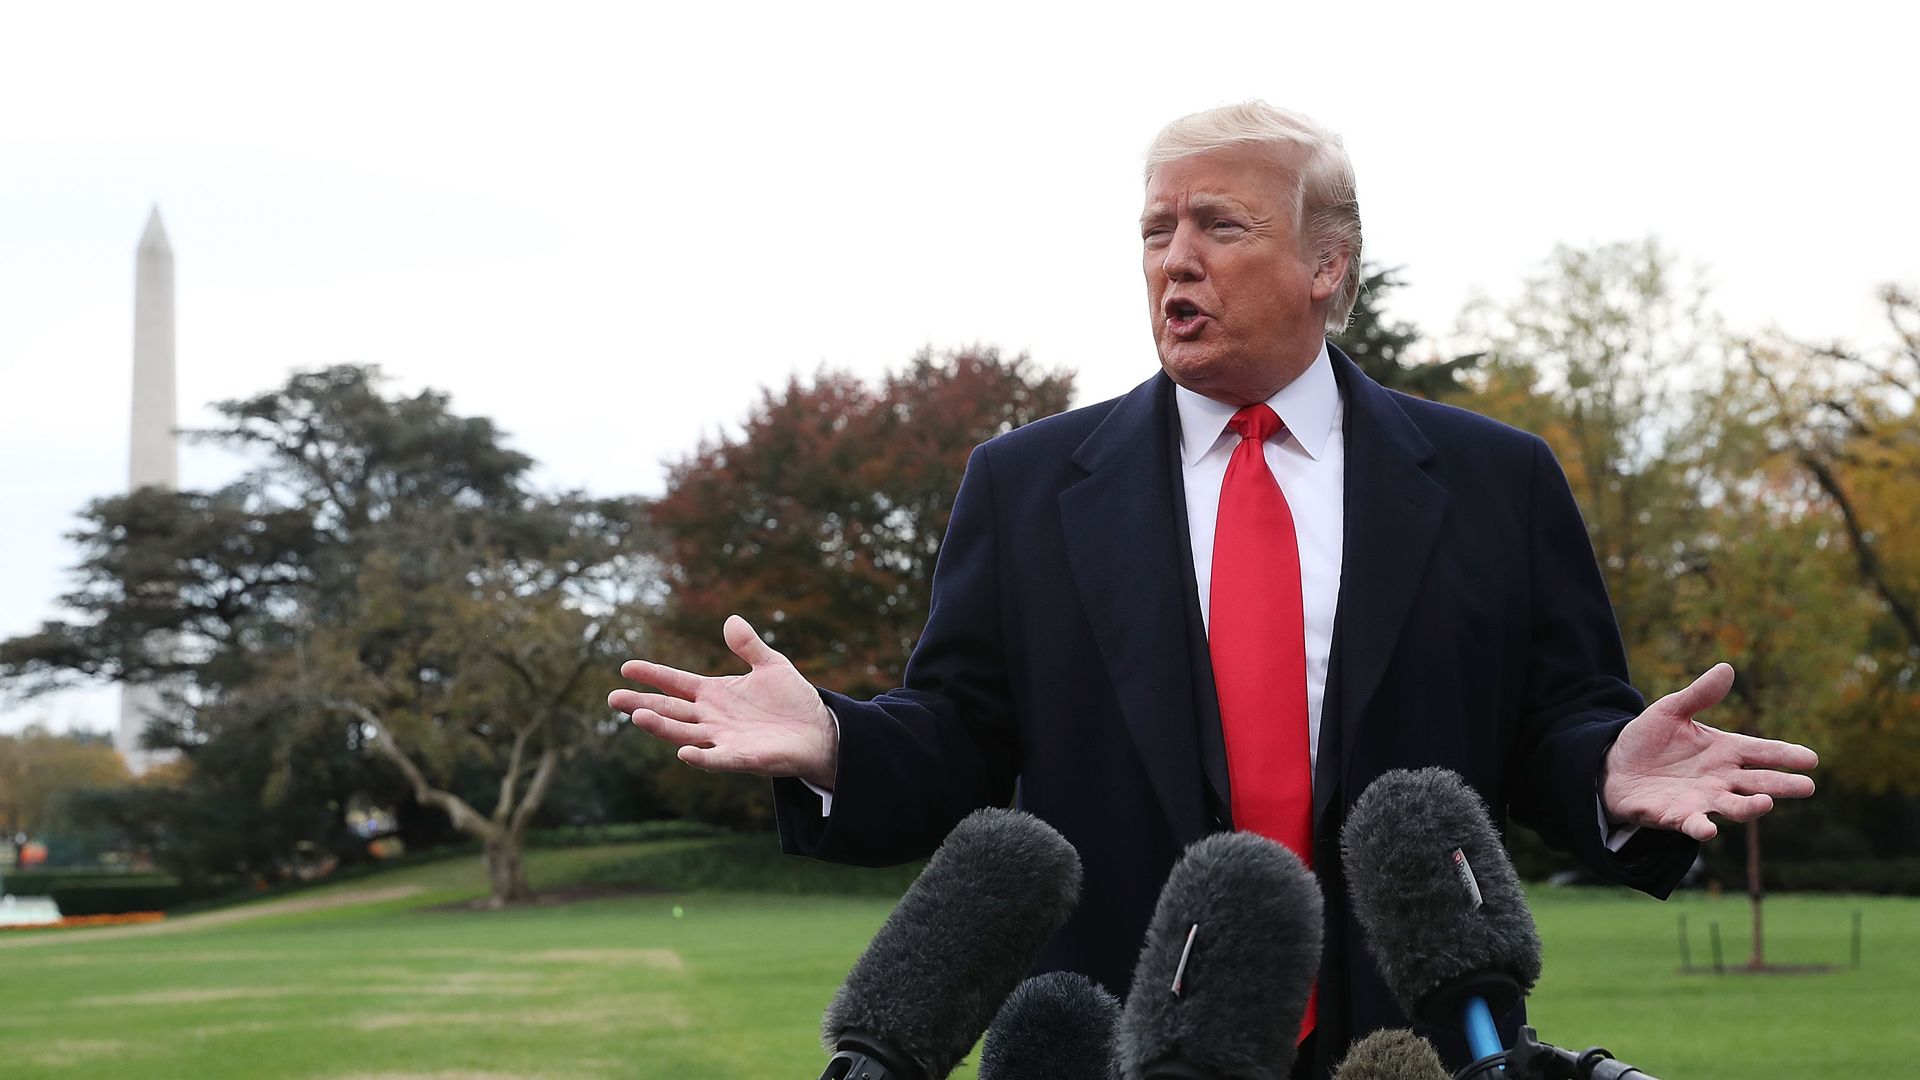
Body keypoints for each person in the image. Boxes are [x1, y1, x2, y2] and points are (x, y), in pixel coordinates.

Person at [610, 102, 1818, 1077]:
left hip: (1405, 1049)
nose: (1174, 259)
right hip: (1112, 1043)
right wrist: (835, 742)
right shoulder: (1024, 487)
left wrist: (1606, 772)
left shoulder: (1496, 482)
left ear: (1327, 264)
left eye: (1220, 225)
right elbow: (960, 738)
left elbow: (1553, 721)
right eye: (1155, 230)